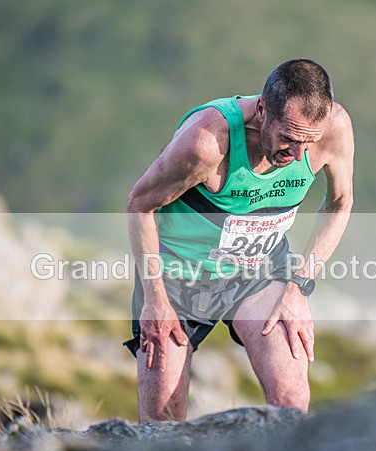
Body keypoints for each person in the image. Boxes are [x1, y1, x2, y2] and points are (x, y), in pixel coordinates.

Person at [124, 58, 354, 422]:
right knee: (162, 424)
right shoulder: (207, 142)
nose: (298, 155)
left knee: (291, 399)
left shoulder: (333, 129)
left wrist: (298, 288)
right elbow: (139, 204)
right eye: (288, 139)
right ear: (262, 110)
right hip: (177, 275)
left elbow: (340, 203)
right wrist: (154, 300)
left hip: (258, 270)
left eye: (308, 142)